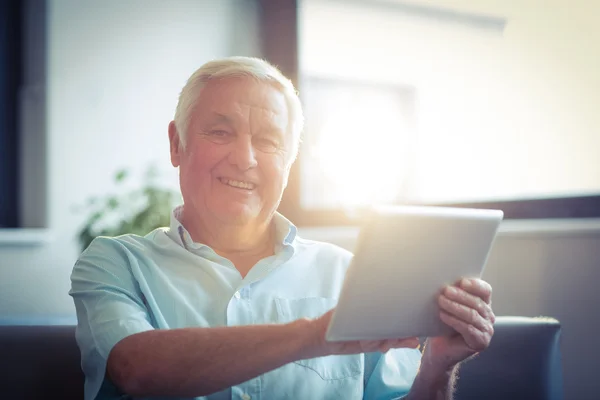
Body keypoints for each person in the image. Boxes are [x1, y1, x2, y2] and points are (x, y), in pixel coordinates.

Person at [69, 56, 495, 400]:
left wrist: (438, 365)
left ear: (289, 162)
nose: (245, 159)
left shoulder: (348, 273)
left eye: (269, 141)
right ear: (177, 144)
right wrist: (316, 335)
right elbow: (136, 370)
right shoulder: (116, 262)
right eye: (221, 132)